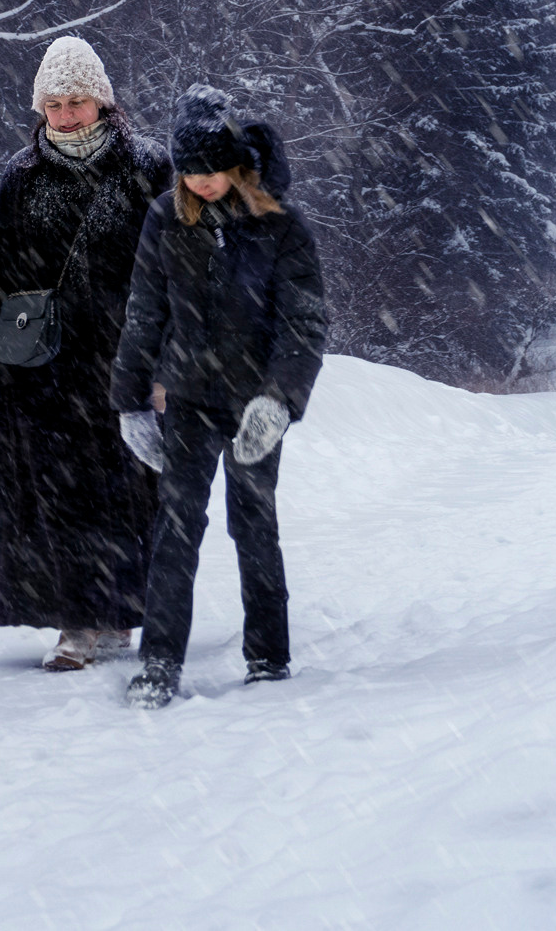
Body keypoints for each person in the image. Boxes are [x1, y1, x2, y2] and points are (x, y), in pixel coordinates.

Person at [0, 37, 174, 671]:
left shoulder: (149, 167)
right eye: (53, 104)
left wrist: (171, 365)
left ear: (101, 100)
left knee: (128, 494)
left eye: (76, 101)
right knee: (57, 496)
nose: (66, 115)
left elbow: (179, 272)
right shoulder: (22, 175)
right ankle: (75, 622)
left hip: (124, 362)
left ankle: (117, 612)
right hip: (42, 369)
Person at [110, 84, 327, 708]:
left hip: (255, 402)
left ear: (235, 162)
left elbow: (303, 324)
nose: (201, 181)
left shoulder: (279, 226)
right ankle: (159, 664)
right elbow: (145, 311)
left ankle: (268, 657)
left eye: (212, 168)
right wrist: (130, 401)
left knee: (254, 525)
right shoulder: (165, 218)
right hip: (188, 399)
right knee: (175, 530)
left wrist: (278, 400)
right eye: (190, 170)